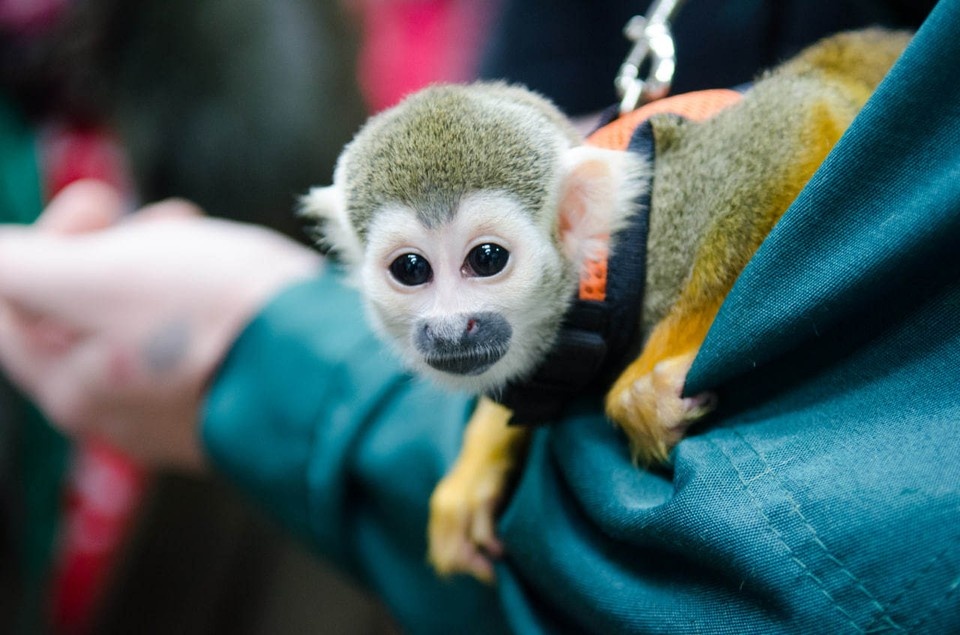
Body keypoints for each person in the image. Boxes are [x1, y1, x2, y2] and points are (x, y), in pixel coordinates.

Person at [1, 2, 959, 633]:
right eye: (411, 272)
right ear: (347, 254)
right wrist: (478, 454)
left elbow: (796, 134)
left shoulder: (624, 213)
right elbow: (546, 337)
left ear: (578, 214)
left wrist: (673, 353)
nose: (451, 317)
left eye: (484, 260)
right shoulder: (548, 250)